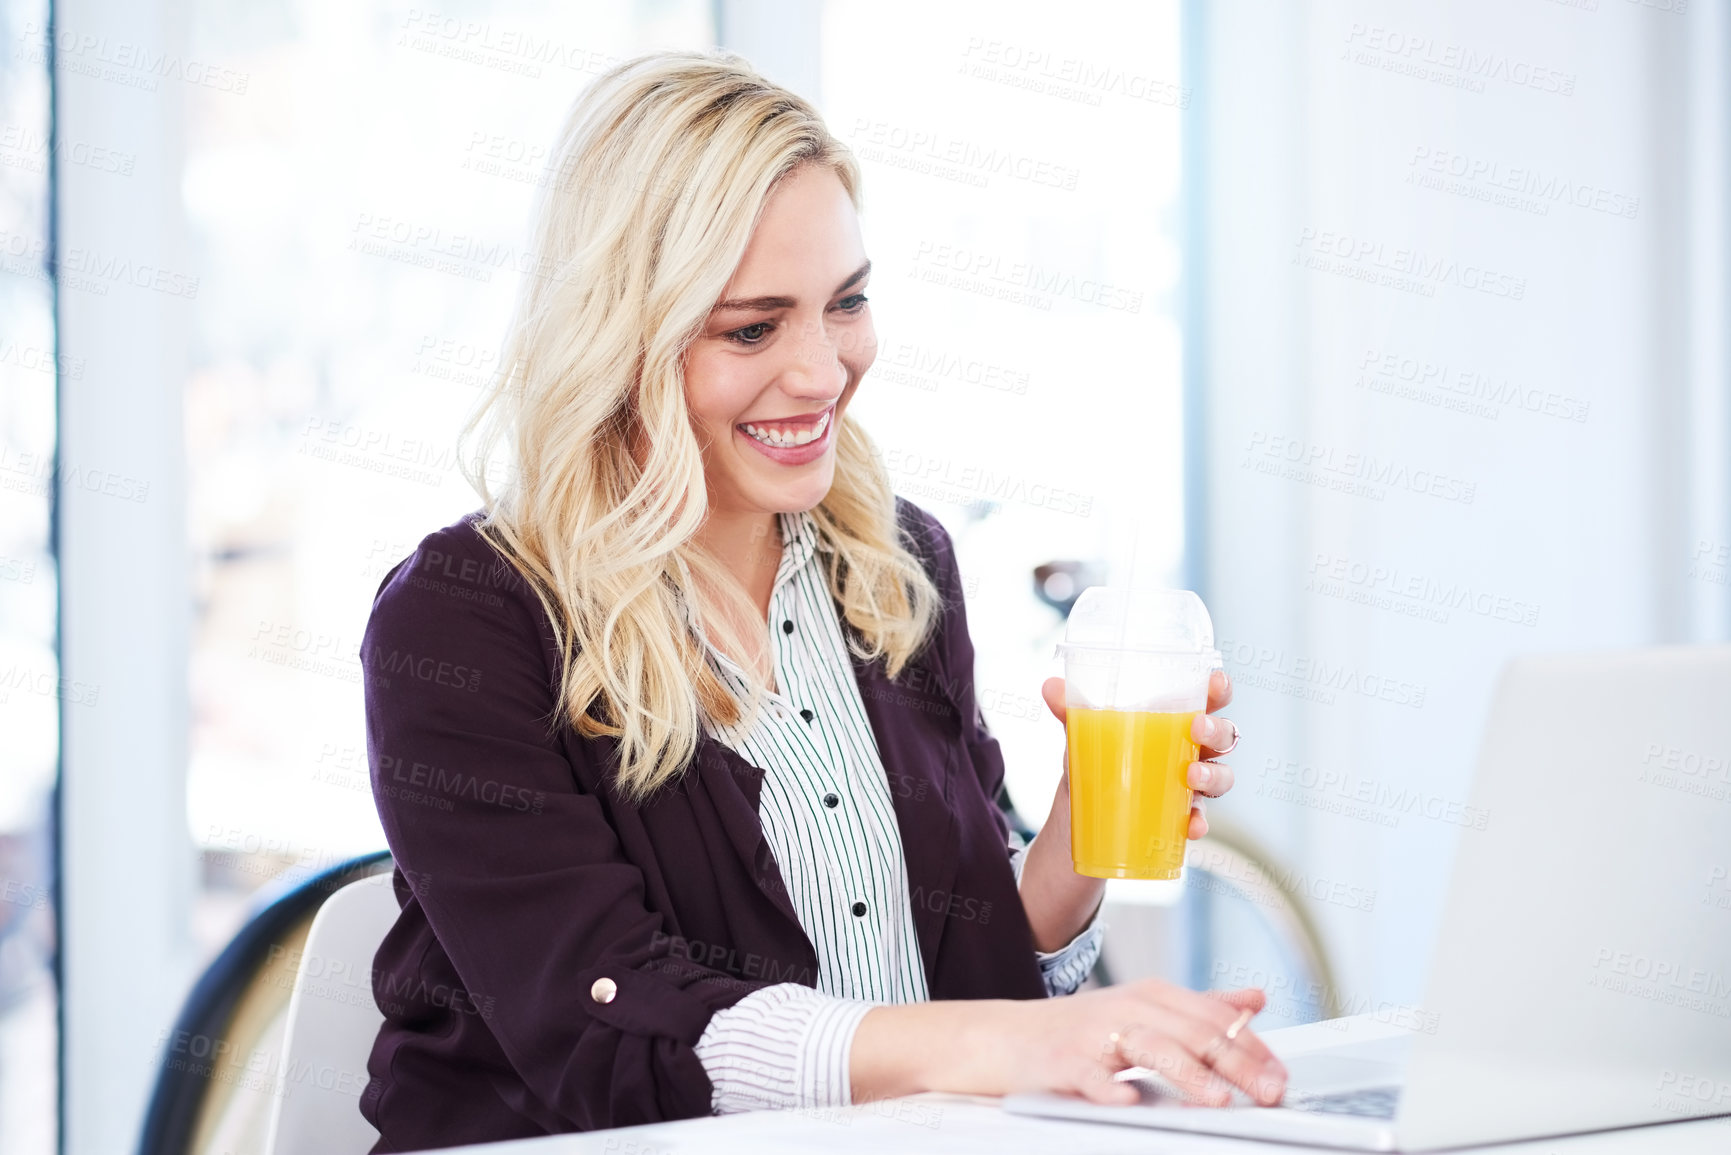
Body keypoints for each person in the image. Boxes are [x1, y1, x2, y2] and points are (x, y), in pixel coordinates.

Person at [357, 49, 1284, 1152]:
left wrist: (1080, 836)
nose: (823, 371)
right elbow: (611, 1033)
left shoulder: (895, 570)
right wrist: (1003, 1047)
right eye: (753, 328)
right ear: (619, 334)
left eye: (845, 303)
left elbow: (965, 979)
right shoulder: (469, 620)